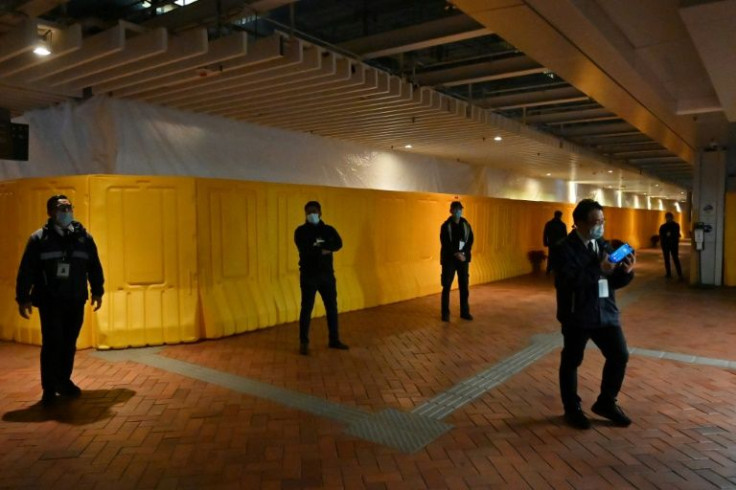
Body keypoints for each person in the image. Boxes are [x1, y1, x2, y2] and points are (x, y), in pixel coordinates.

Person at [551, 199, 635, 430]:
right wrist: (599, 269)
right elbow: (568, 281)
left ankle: (606, 402)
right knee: (572, 360)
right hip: (577, 315)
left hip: (605, 313)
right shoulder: (563, 248)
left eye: (602, 221)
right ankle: (572, 408)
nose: (599, 226)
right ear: (578, 223)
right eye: (595, 222)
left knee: (619, 355)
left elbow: (613, 281)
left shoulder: (604, 246)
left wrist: (626, 272)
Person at [16, 195, 104, 406]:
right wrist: (23, 298)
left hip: (75, 300)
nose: (66, 212)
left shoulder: (83, 237)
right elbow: (26, 270)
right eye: (60, 208)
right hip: (50, 301)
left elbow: (94, 266)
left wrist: (98, 291)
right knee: (52, 343)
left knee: (68, 343)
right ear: (50, 213)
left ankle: (63, 382)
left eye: (69, 208)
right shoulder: (39, 239)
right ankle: (49, 388)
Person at [294, 201, 348, 355]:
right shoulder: (300, 231)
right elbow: (305, 250)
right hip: (309, 276)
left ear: (320, 212)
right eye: (309, 212)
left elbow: (338, 244)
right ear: (305, 214)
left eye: (314, 211)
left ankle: (334, 339)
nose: (312, 214)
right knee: (307, 308)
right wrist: (323, 248)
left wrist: (318, 245)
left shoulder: (328, 229)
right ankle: (304, 342)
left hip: (327, 276)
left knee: (332, 308)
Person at [439, 200, 474, 322]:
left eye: (460, 210)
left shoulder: (465, 224)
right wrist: (456, 253)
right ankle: (445, 313)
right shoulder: (446, 226)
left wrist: (463, 254)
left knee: (464, 285)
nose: (458, 212)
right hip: (449, 260)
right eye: (456, 210)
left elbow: (470, 240)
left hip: (463, 260)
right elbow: (445, 243)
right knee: (446, 286)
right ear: (451, 211)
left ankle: (465, 312)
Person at [659, 212, 683, 280]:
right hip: (669, 245)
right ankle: (670, 273)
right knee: (668, 259)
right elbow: (662, 236)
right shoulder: (666, 226)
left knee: (674, 259)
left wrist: (668, 236)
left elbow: (675, 235)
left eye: (669, 217)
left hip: (672, 245)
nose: (668, 219)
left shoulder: (673, 225)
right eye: (667, 217)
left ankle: (678, 274)